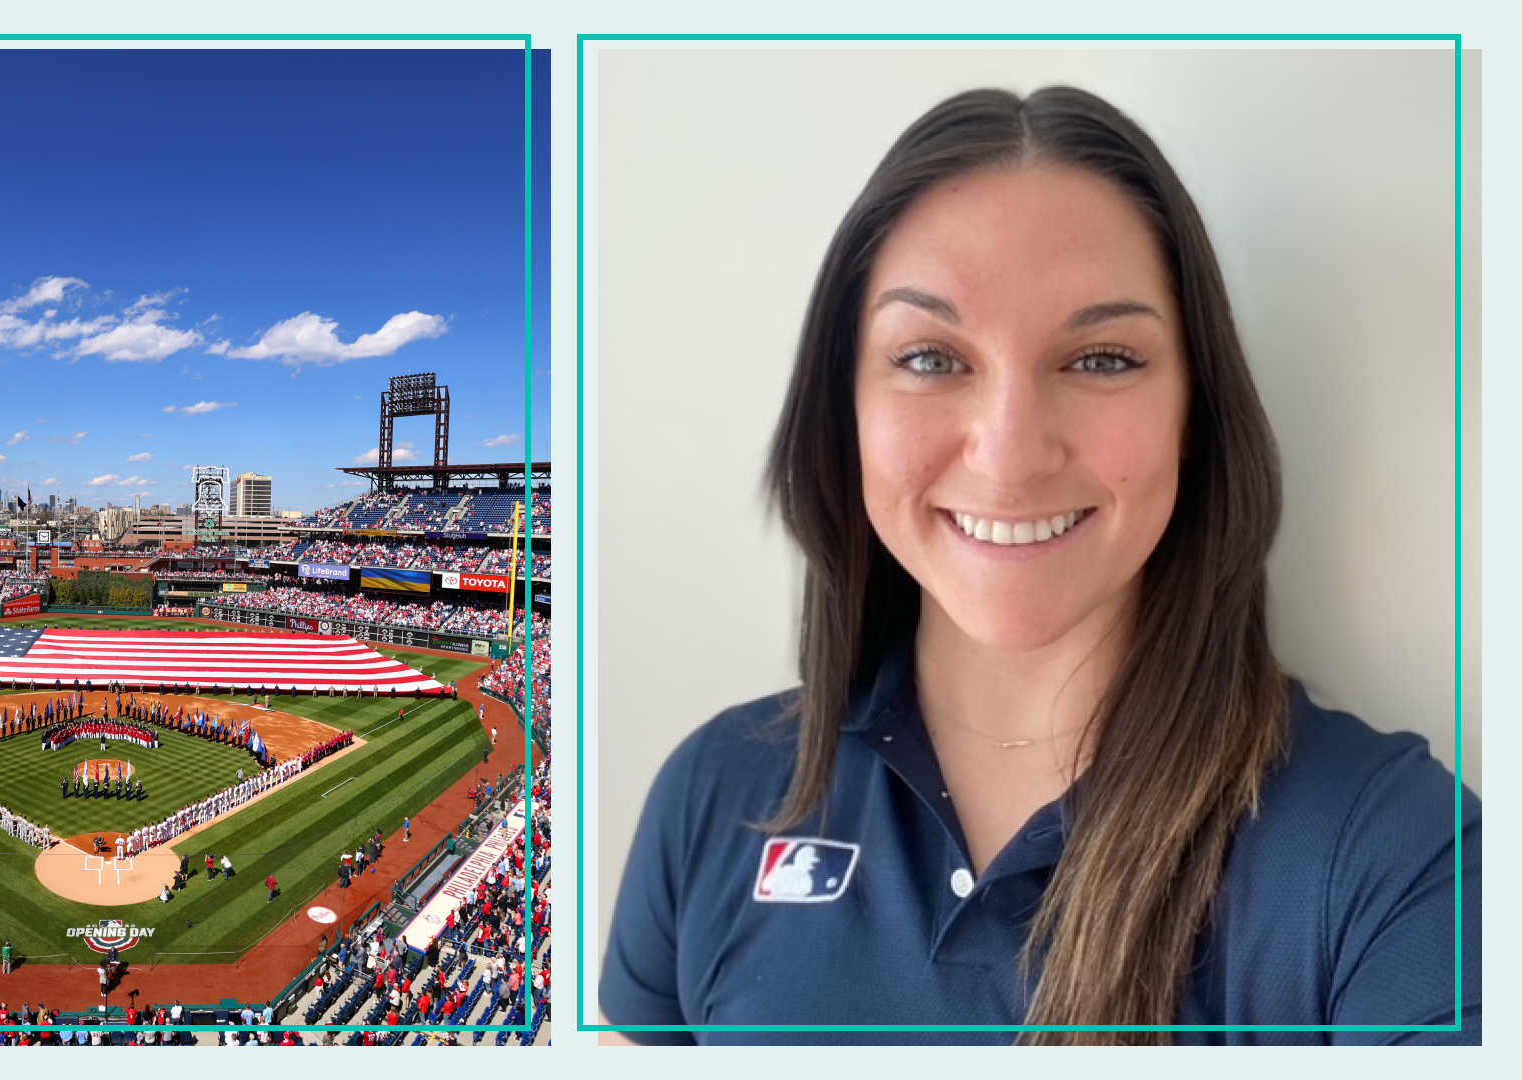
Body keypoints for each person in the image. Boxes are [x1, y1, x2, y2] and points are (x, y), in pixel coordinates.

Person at [598, 86, 1481, 1046]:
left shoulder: (1394, 858)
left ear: (1195, 413)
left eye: (1101, 359)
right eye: (932, 358)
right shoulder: (715, 792)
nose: (1010, 456)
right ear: (842, 412)